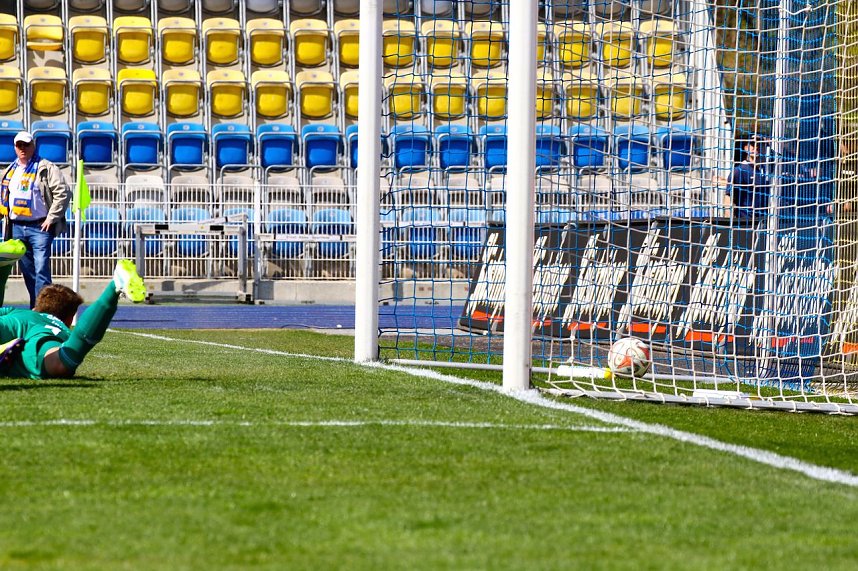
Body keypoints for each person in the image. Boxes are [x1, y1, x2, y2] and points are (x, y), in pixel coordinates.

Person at [0, 238, 146, 380]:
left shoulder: (18, 312)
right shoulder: (57, 329)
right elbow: (59, 363)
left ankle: (4, 267)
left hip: (11, 322)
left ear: (36, 307)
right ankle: (113, 288)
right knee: (60, 363)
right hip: (42, 334)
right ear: (70, 319)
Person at [0, 130, 71, 308]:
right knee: (28, 271)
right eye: (19, 145)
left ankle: (44, 309)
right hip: (16, 227)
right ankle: (36, 306)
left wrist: (52, 217)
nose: (22, 148)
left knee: (41, 269)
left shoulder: (46, 167)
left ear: (33, 145)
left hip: (40, 226)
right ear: (14, 148)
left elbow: (63, 193)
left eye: (26, 144)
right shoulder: (10, 170)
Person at [714, 135, 771, 223]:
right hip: (746, 222)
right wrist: (728, 221)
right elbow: (729, 197)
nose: (756, 147)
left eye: (759, 144)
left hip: (764, 221)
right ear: (745, 148)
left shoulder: (765, 170)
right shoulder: (739, 170)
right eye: (752, 144)